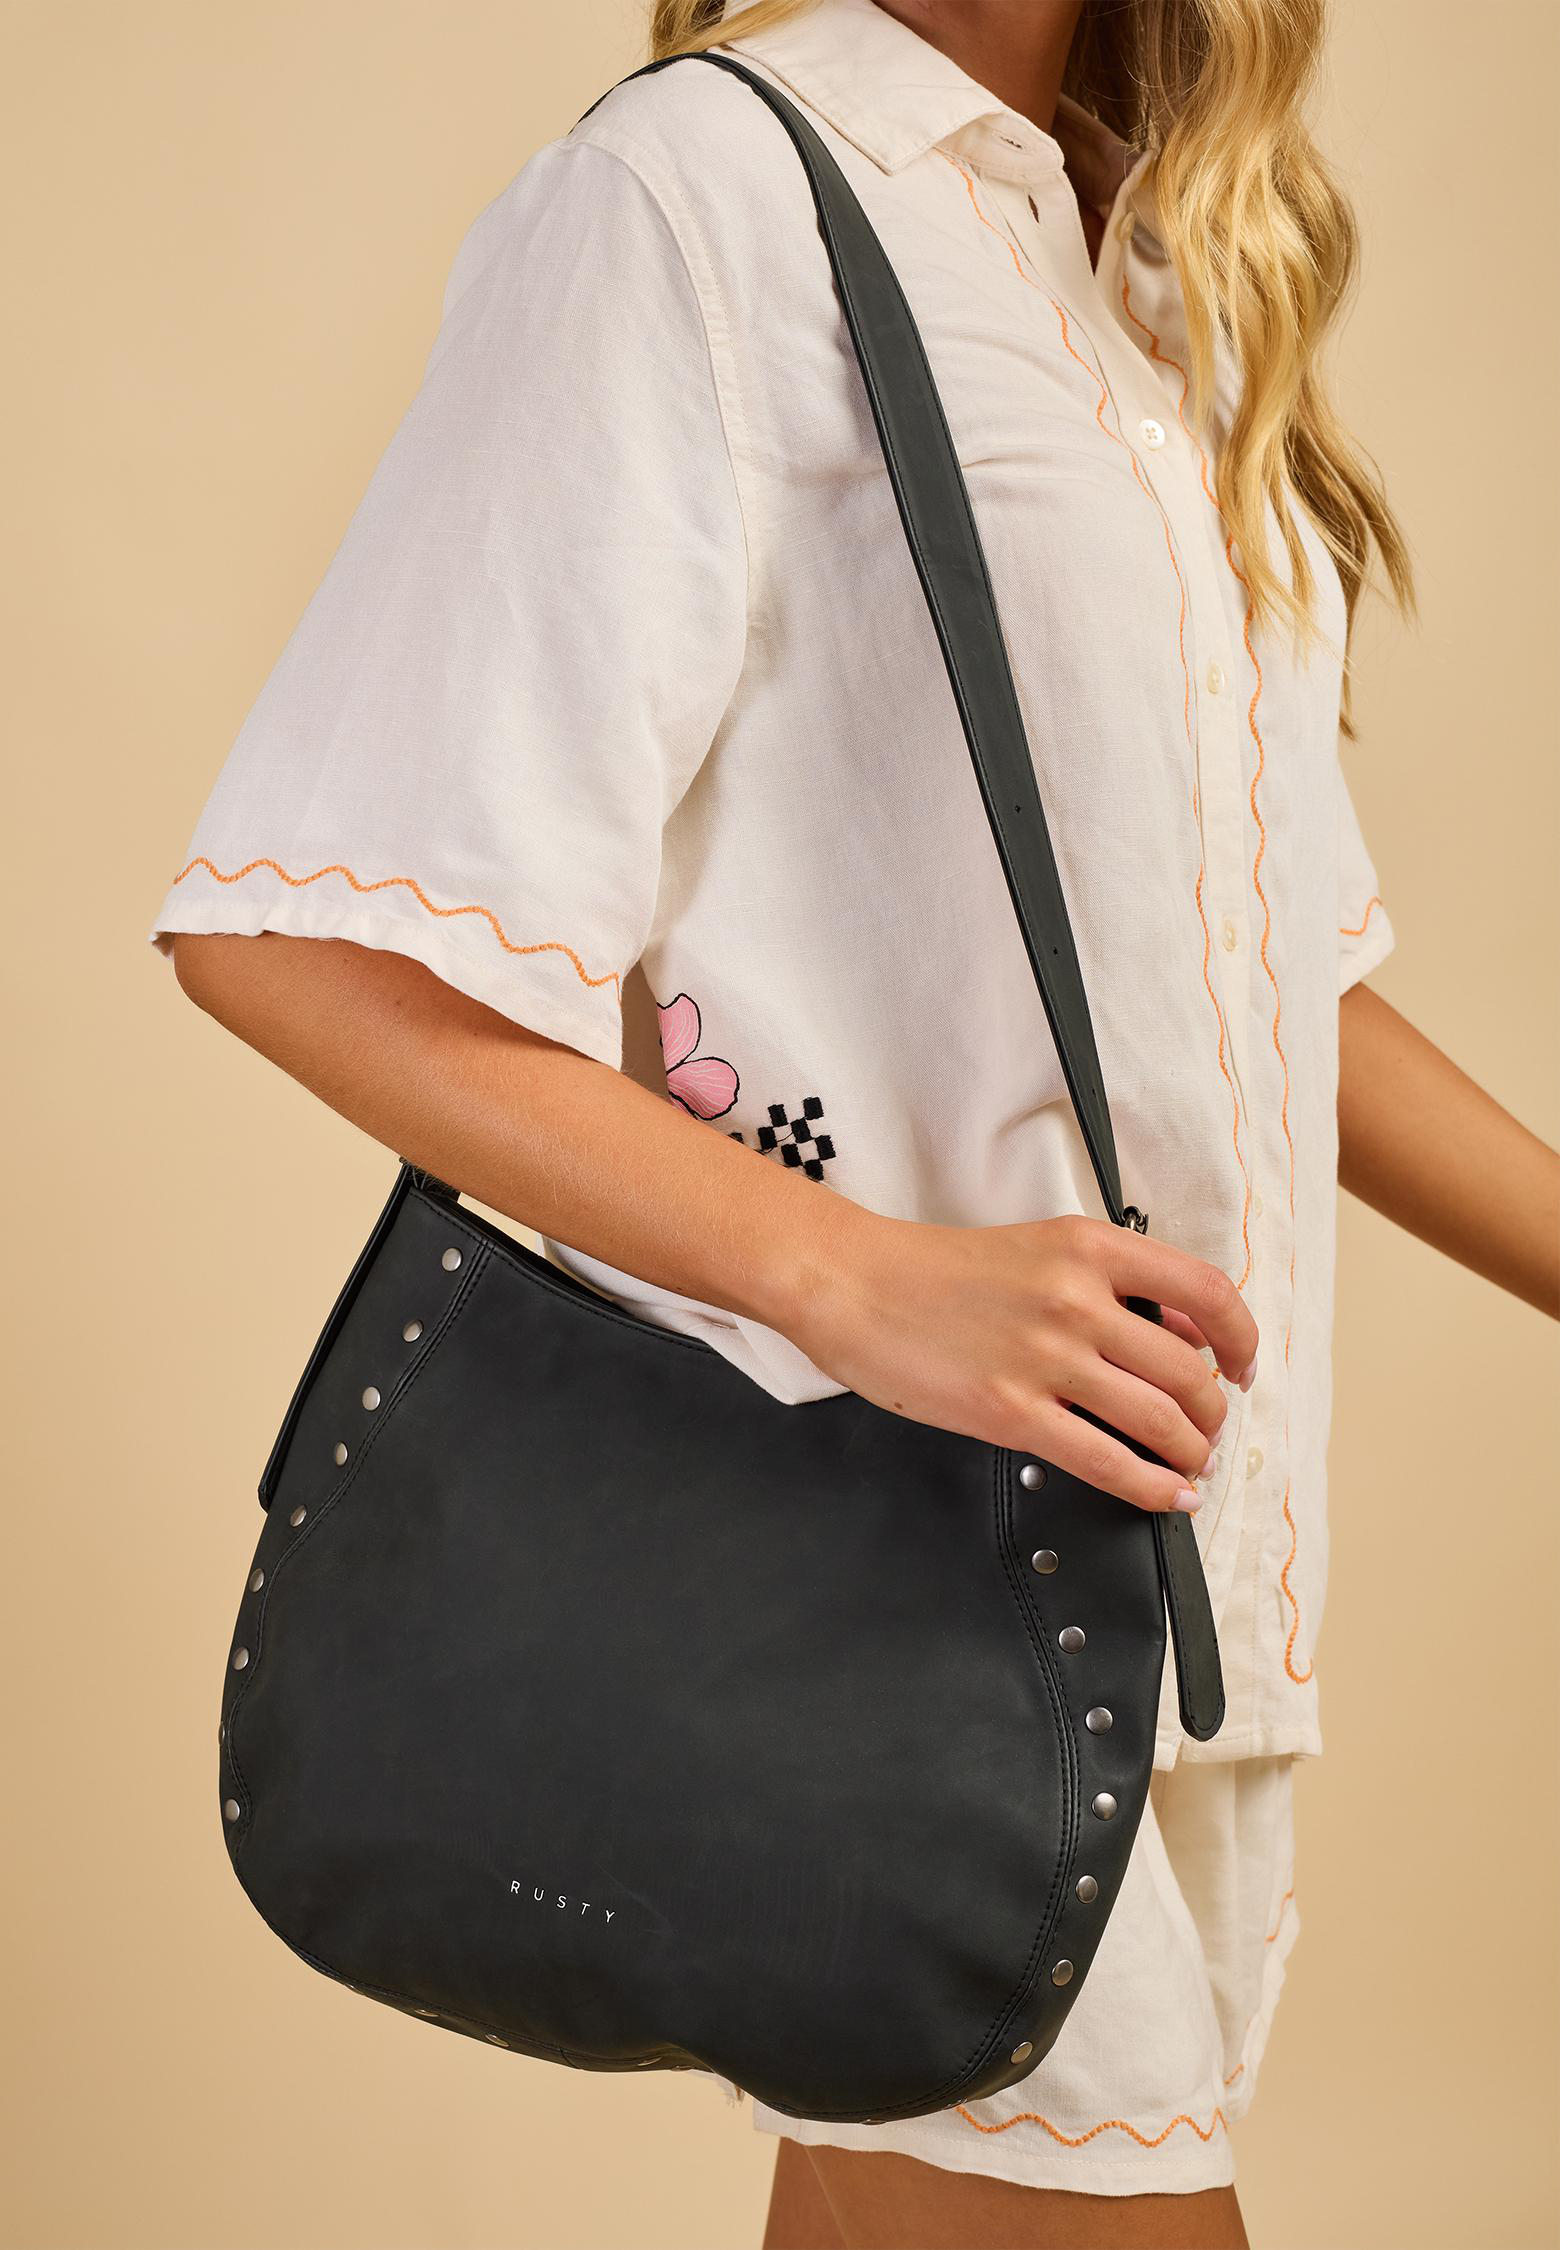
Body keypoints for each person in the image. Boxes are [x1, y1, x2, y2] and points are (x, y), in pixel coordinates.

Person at [150, 1, 1559, 2241]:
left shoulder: (1161, 278)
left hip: (1164, 1577)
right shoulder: (697, 201)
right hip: (900, 1578)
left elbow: (1263, 965)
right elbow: (303, 935)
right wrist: (863, 1283)